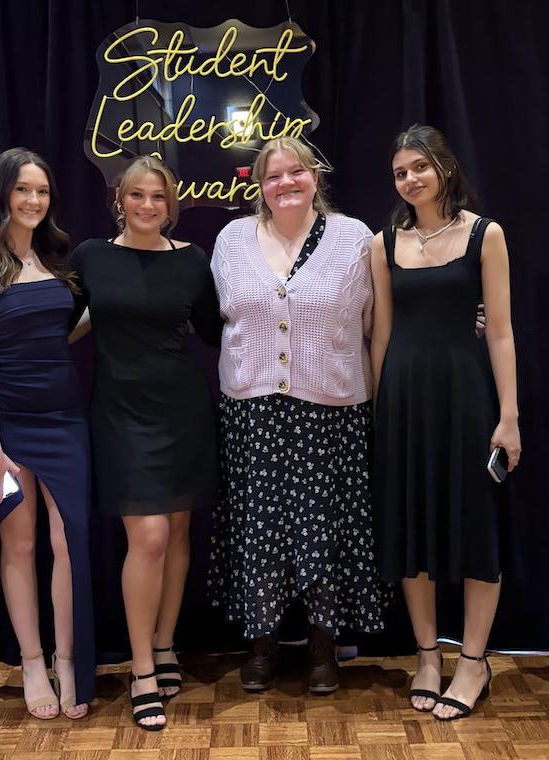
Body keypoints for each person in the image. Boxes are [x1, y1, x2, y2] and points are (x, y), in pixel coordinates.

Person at [208, 136, 389, 694]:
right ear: (258, 186)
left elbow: (377, 326)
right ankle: (261, 645)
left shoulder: (355, 238)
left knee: (326, 531)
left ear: (316, 178)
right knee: (259, 531)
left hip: (332, 412)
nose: (286, 183)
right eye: (273, 175)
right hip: (253, 413)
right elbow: (219, 318)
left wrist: (376, 398)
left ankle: (322, 648)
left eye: (297, 172)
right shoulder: (232, 239)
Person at [370, 124, 521, 721]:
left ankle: (474, 661)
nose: (410, 179)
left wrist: (509, 417)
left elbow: (503, 331)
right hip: (404, 400)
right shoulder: (383, 242)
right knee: (412, 531)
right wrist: (378, 409)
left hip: (466, 397)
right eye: (400, 172)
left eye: (419, 167)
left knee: (476, 527)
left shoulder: (486, 235)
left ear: (446, 169)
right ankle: (428, 656)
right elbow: (381, 333)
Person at [70, 155, 221, 730]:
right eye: (138, 195)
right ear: (120, 200)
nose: (148, 206)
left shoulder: (192, 261)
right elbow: (64, 318)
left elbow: (215, 329)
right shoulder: (90, 256)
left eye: (159, 197)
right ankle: (141, 671)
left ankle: (164, 643)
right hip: (121, 414)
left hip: (183, 410)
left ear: (171, 204)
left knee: (178, 529)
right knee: (150, 535)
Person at [0, 147, 94, 720]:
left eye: (41, 191)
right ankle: (32, 663)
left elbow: (58, 336)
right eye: (23, 190)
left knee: (70, 543)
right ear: (2, 195)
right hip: (4, 429)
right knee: (19, 543)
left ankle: (67, 661)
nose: (34, 200)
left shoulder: (56, 263)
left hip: (65, 420)